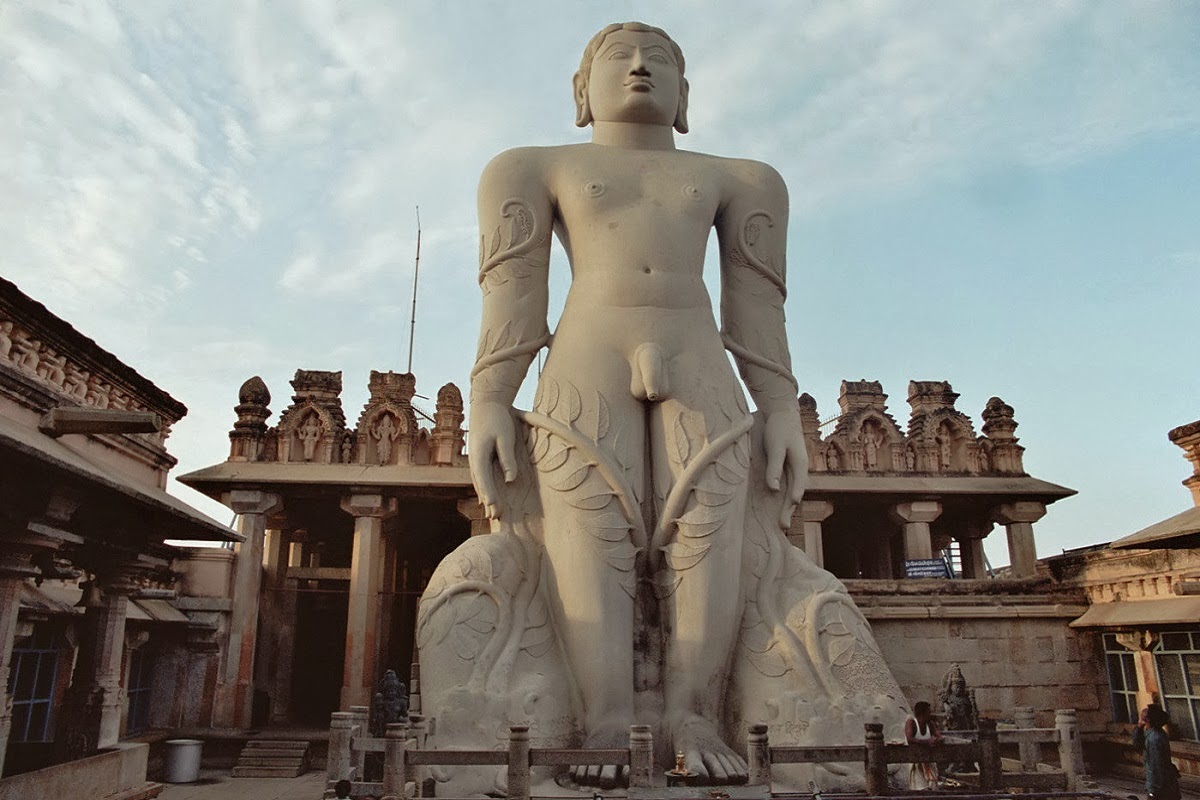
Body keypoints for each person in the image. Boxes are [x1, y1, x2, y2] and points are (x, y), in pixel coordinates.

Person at [469, 21, 806, 786]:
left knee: (708, 527)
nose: (640, 66)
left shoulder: (745, 178)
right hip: (589, 351)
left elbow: (758, 302)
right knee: (586, 523)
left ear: (687, 96)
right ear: (580, 92)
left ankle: (695, 710)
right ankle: (605, 718)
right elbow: (513, 288)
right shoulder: (529, 166)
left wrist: (780, 405)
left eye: (661, 59)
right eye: (617, 57)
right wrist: (489, 396)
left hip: (698, 354)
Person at [1132, 704, 1180, 800]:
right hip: (1166, 785)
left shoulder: (1154, 739)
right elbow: (1138, 745)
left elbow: (1155, 766)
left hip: (1162, 788)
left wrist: (1152, 791)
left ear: (1148, 720)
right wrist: (1139, 728)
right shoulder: (1154, 733)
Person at [905, 701, 942, 790]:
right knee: (920, 788)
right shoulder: (911, 723)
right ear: (922, 713)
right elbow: (909, 739)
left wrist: (937, 741)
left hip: (929, 761)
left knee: (933, 787)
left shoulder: (930, 724)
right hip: (916, 761)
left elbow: (939, 736)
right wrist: (926, 742)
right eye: (928, 712)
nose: (930, 714)